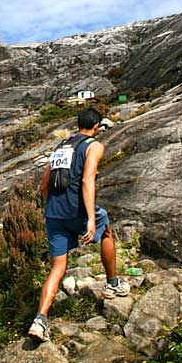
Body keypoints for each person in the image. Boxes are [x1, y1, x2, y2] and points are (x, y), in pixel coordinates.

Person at [28, 106, 130, 342]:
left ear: (78, 124)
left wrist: (52, 209)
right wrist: (91, 219)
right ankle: (112, 284)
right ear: (96, 127)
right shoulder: (94, 146)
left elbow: (43, 187)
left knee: (58, 267)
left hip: (53, 213)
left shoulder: (60, 147)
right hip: (77, 212)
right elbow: (87, 180)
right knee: (106, 231)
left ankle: (40, 320)